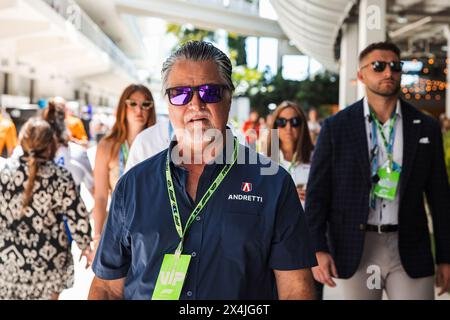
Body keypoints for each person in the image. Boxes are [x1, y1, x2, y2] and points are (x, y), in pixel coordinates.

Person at [88, 41, 317, 300]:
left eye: (210, 92)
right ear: (168, 102)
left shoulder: (274, 184)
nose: (195, 105)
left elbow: (296, 290)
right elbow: (106, 287)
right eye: (180, 93)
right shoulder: (132, 185)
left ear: (229, 97)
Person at [305, 42, 450, 299]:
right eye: (378, 66)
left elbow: (440, 198)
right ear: (361, 74)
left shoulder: (425, 126)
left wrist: (446, 257)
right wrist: (317, 248)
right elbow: (318, 195)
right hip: (351, 248)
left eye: (395, 66)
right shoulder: (336, 127)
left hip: (409, 246)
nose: (388, 73)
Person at [0, 118, 92, 300]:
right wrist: (85, 246)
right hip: (49, 262)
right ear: (51, 145)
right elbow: (77, 217)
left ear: (22, 141)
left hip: (9, 261)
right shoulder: (60, 176)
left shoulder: (4, 172)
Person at [91, 84, 156, 258]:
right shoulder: (107, 146)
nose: (139, 110)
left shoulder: (159, 144)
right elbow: (101, 196)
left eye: (145, 104)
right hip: (117, 227)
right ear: (122, 106)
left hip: (152, 227)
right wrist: (97, 237)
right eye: (133, 104)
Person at [266, 101, 321, 297]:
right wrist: (286, 195)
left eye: (295, 122)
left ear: (303, 126)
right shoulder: (264, 161)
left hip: (310, 238)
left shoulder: (316, 157)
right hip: (276, 239)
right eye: (282, 122)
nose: (288, 127)